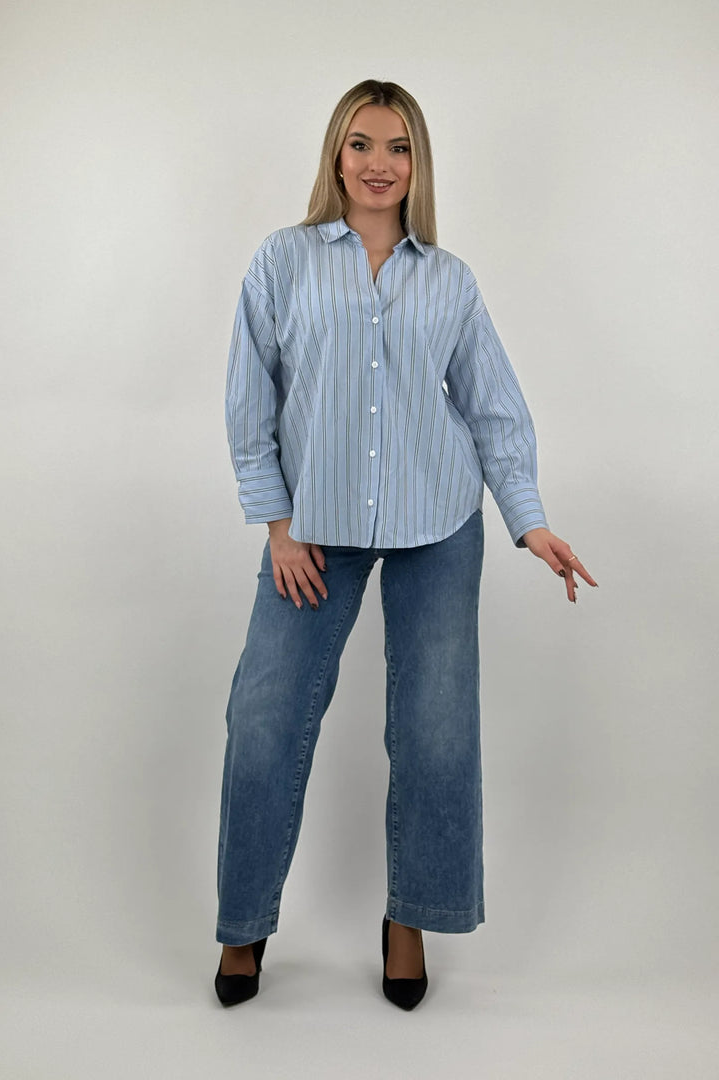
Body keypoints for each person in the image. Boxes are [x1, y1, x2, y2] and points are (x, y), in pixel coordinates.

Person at [213, 78, 597, 1011]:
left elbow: (493, 405)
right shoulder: (283, 260)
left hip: (438, 520)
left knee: (434, 728)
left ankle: (409, 919)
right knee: (264, 719)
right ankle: (243, 924)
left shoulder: (450, 279)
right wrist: (279, 525)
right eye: (362, 144)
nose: (379, 164)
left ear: (419, 163)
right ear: (335, 155)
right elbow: (249, 399)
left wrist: (529, 518)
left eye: (399, 147)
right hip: (313, 531)